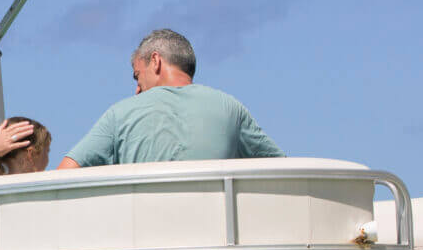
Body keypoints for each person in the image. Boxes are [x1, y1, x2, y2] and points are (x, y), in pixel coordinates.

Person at [57, 28, 281, 169]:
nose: (137, 89)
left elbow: (66, 172)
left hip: (144, 238)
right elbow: (282, 167)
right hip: (214, 236)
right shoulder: (230, 108)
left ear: (155, 61)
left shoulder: (120, 114)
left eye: (137, 76)